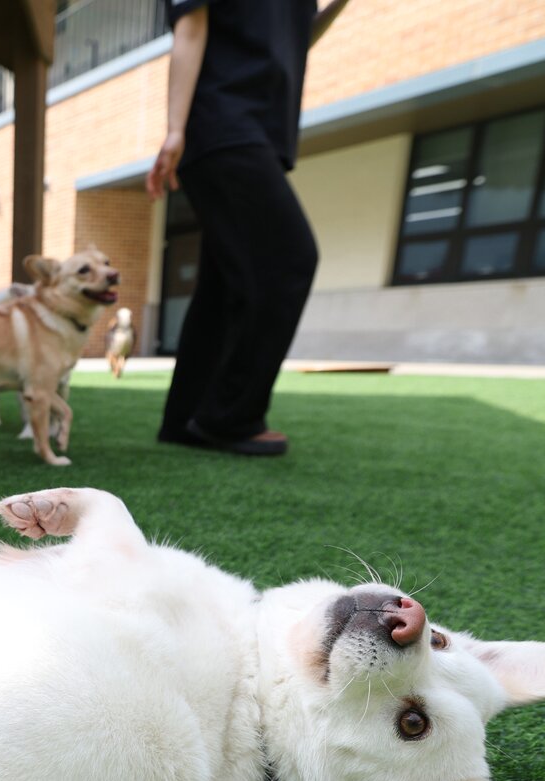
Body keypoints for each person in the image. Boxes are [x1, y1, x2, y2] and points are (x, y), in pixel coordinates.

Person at [148, 0, 351, 456]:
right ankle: (229, 417)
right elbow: (191, 28)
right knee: (288, 260)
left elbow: (293, 43)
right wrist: (175, 129)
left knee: (224, 282)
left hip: (258, 128)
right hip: (220, 122)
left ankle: (186, 418)